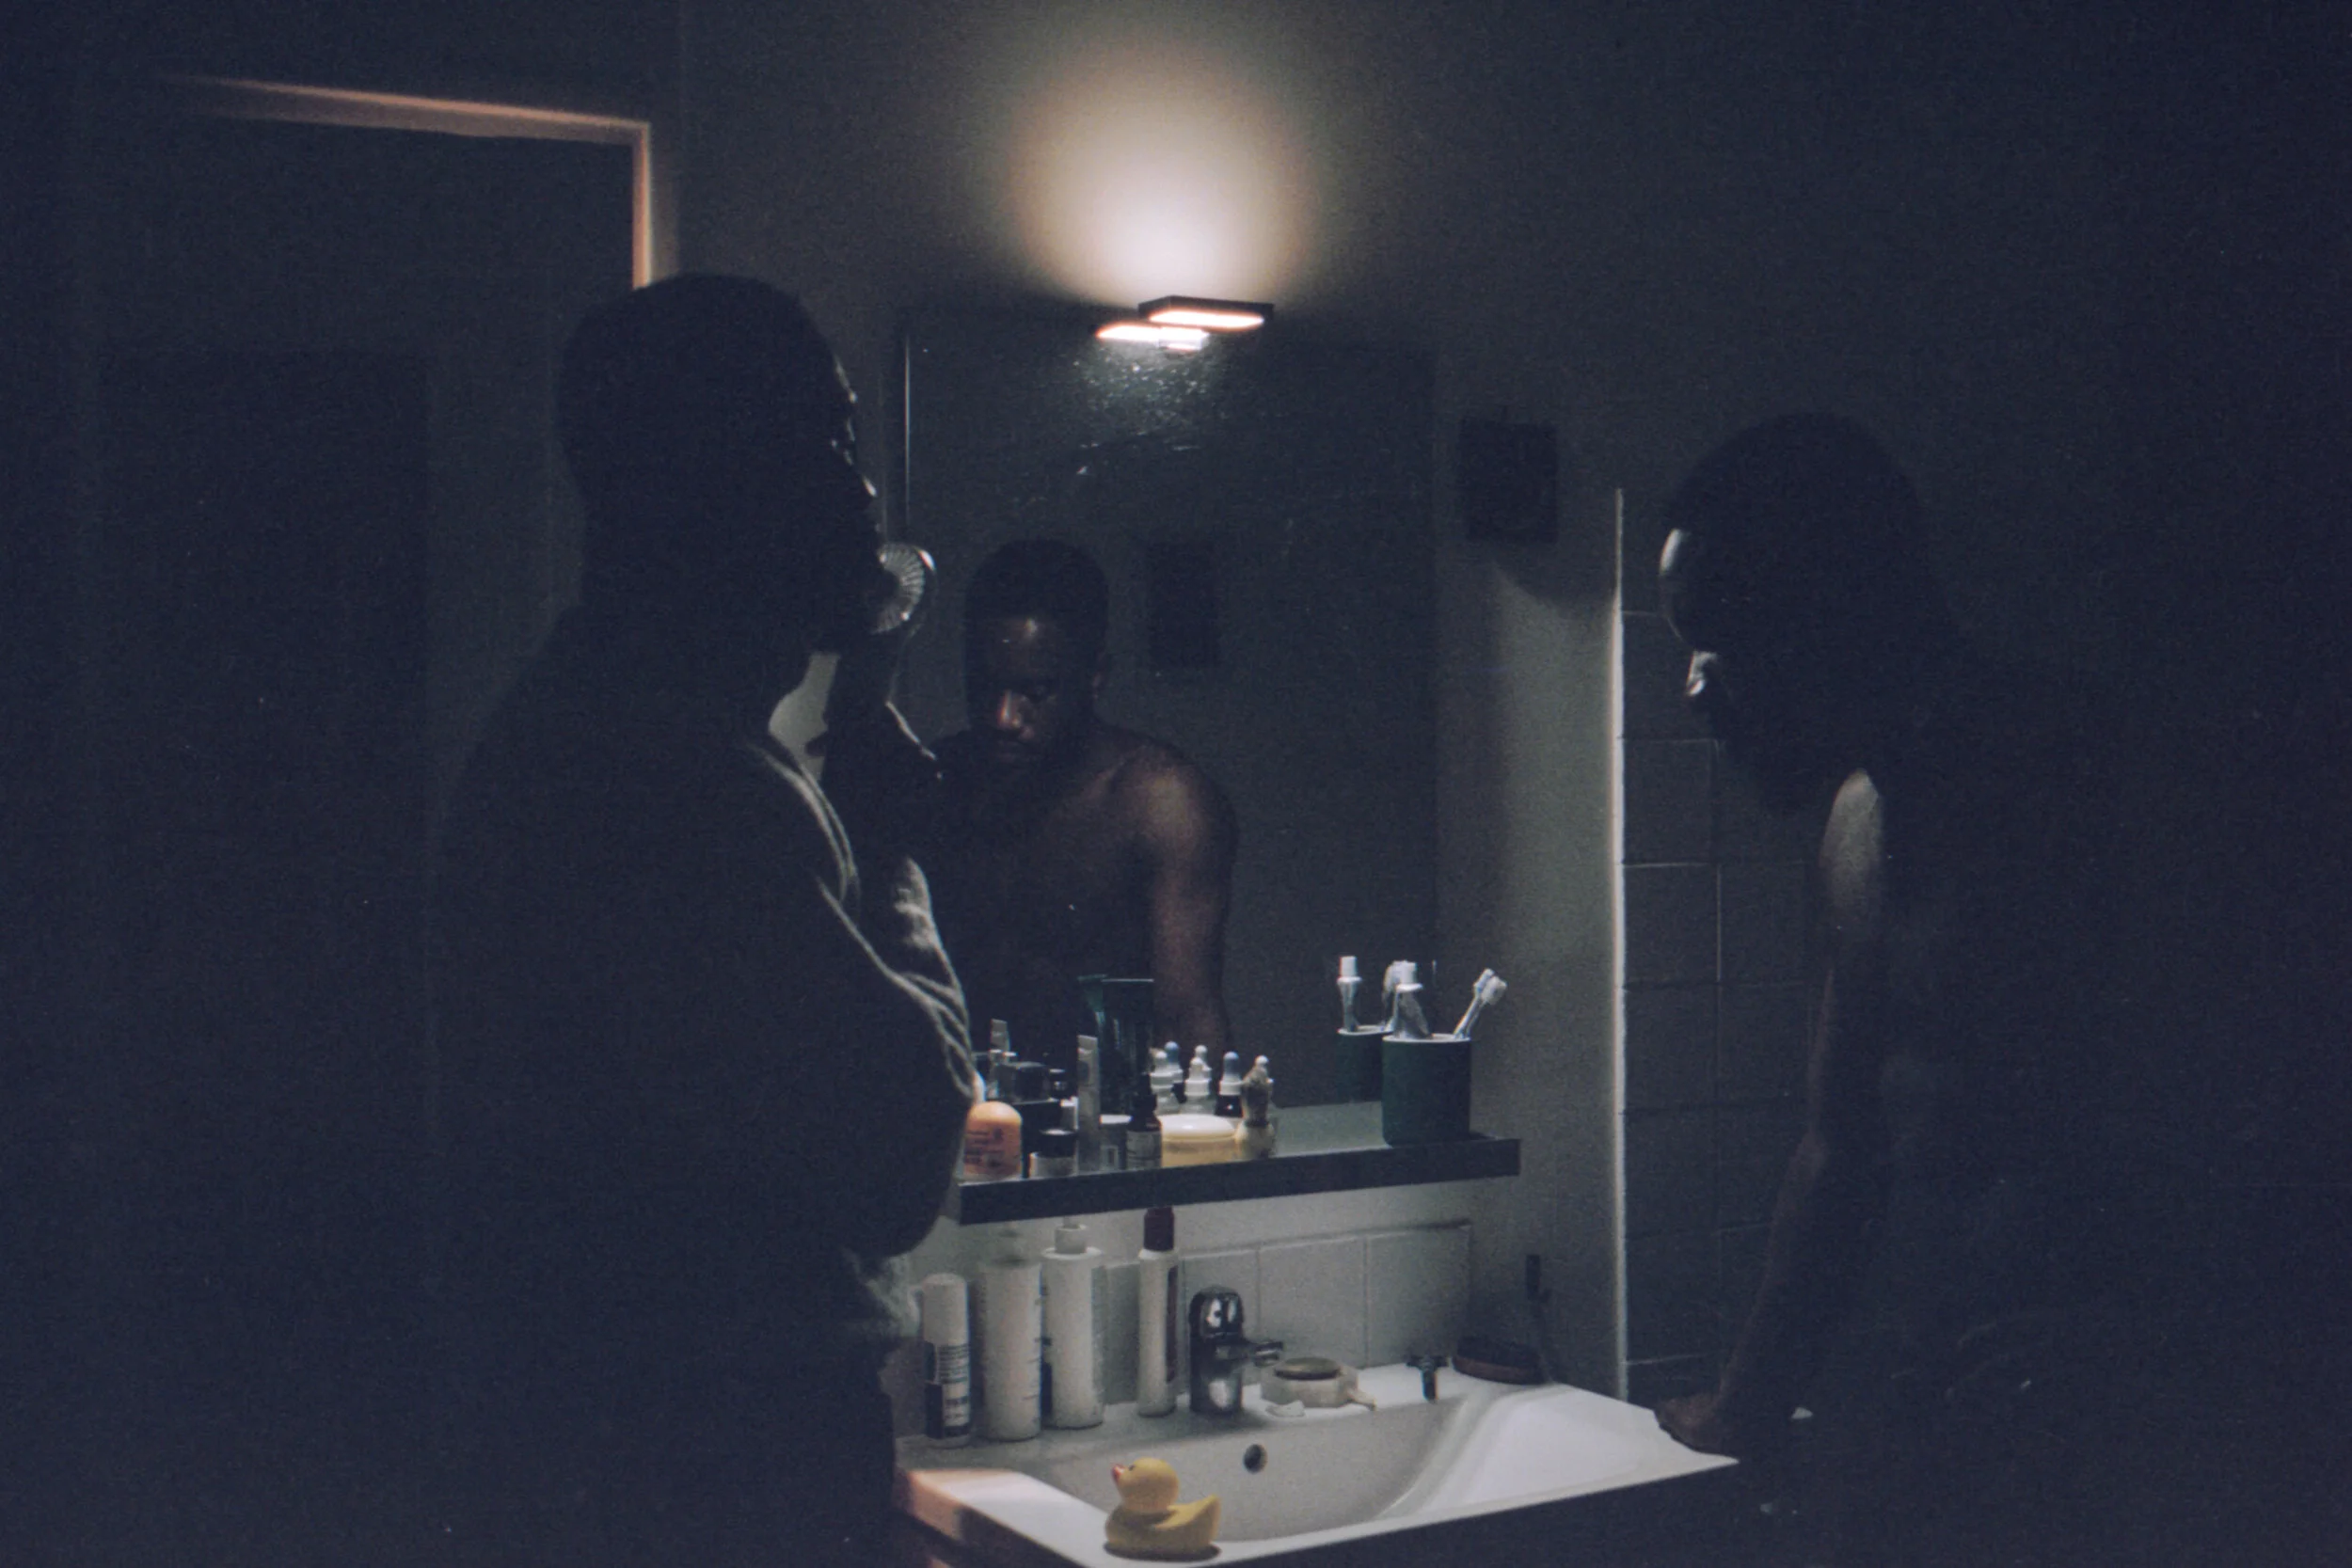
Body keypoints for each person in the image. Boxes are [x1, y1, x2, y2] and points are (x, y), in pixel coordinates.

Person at [429, 275, 976, 1568]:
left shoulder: (603, 729)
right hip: (717, 1460)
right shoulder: (684, 783)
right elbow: (900, 1153)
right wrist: (890, 843)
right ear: (709, 478)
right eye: (827, 438)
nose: (860, 493)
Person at [1649, 415, 2128, 1564]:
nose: (1693, 687)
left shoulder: (2083, 780)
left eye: (1719, 639)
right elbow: (1841, 1142)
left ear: (1829, 617)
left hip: (2107, 1437)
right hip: (1933, 1415)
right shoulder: (1861, 818)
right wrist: (1745, 1402)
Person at [924, 539, 1236, 1073]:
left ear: (1095, 675)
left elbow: (1187, 1022)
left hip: (1109, 1115)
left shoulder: (1159, 802)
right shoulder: (931, 783)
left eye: (1035, 692)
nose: (1003, 717)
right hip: (959, 1110)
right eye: (985, 687)